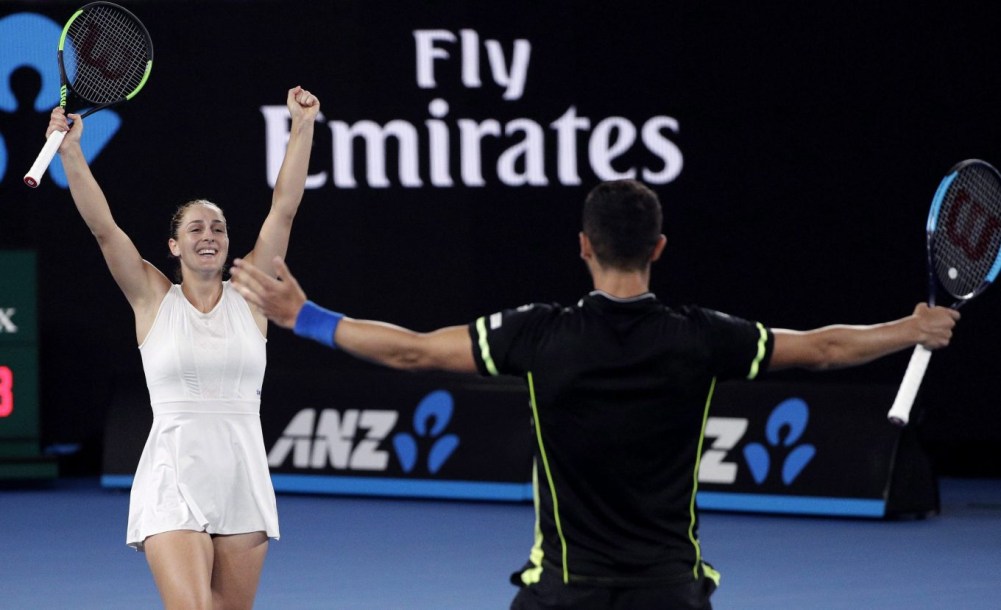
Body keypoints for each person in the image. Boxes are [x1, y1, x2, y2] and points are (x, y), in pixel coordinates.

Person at [229, 179, 959, 610]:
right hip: (671, 591)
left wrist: (304, 318)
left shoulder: (537, 334)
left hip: (563, 592)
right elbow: (825, 348)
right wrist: (909, 327)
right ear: (659, 248)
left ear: (582, 245)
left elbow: (412, 351)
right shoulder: (703, 337)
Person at [48, 86, 319, 609]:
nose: (209, 235)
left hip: (242, 478)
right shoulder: (152, 298)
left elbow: (283, 210)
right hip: (172, 479)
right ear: (174, 245)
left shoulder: (253, 295)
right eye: (195, 228)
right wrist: (72, 152)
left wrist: (302, 125)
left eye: (218, 227)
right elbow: (105, 231)